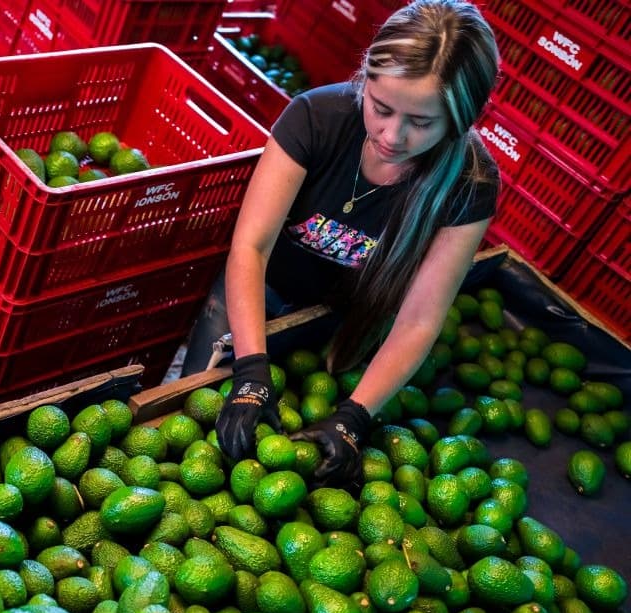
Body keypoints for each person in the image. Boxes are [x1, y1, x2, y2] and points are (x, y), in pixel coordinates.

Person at [182, 0, 501, 489]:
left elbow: (419, 318)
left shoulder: (469, 182)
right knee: (202, 412)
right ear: (365, 79)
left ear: (461, 120)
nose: (392, 135)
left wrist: (355, 416)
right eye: (382, 108)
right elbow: (250, 248)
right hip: (257, 292)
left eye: (421, 122)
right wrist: (249, 370)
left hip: (345, 320)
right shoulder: (318, 117)